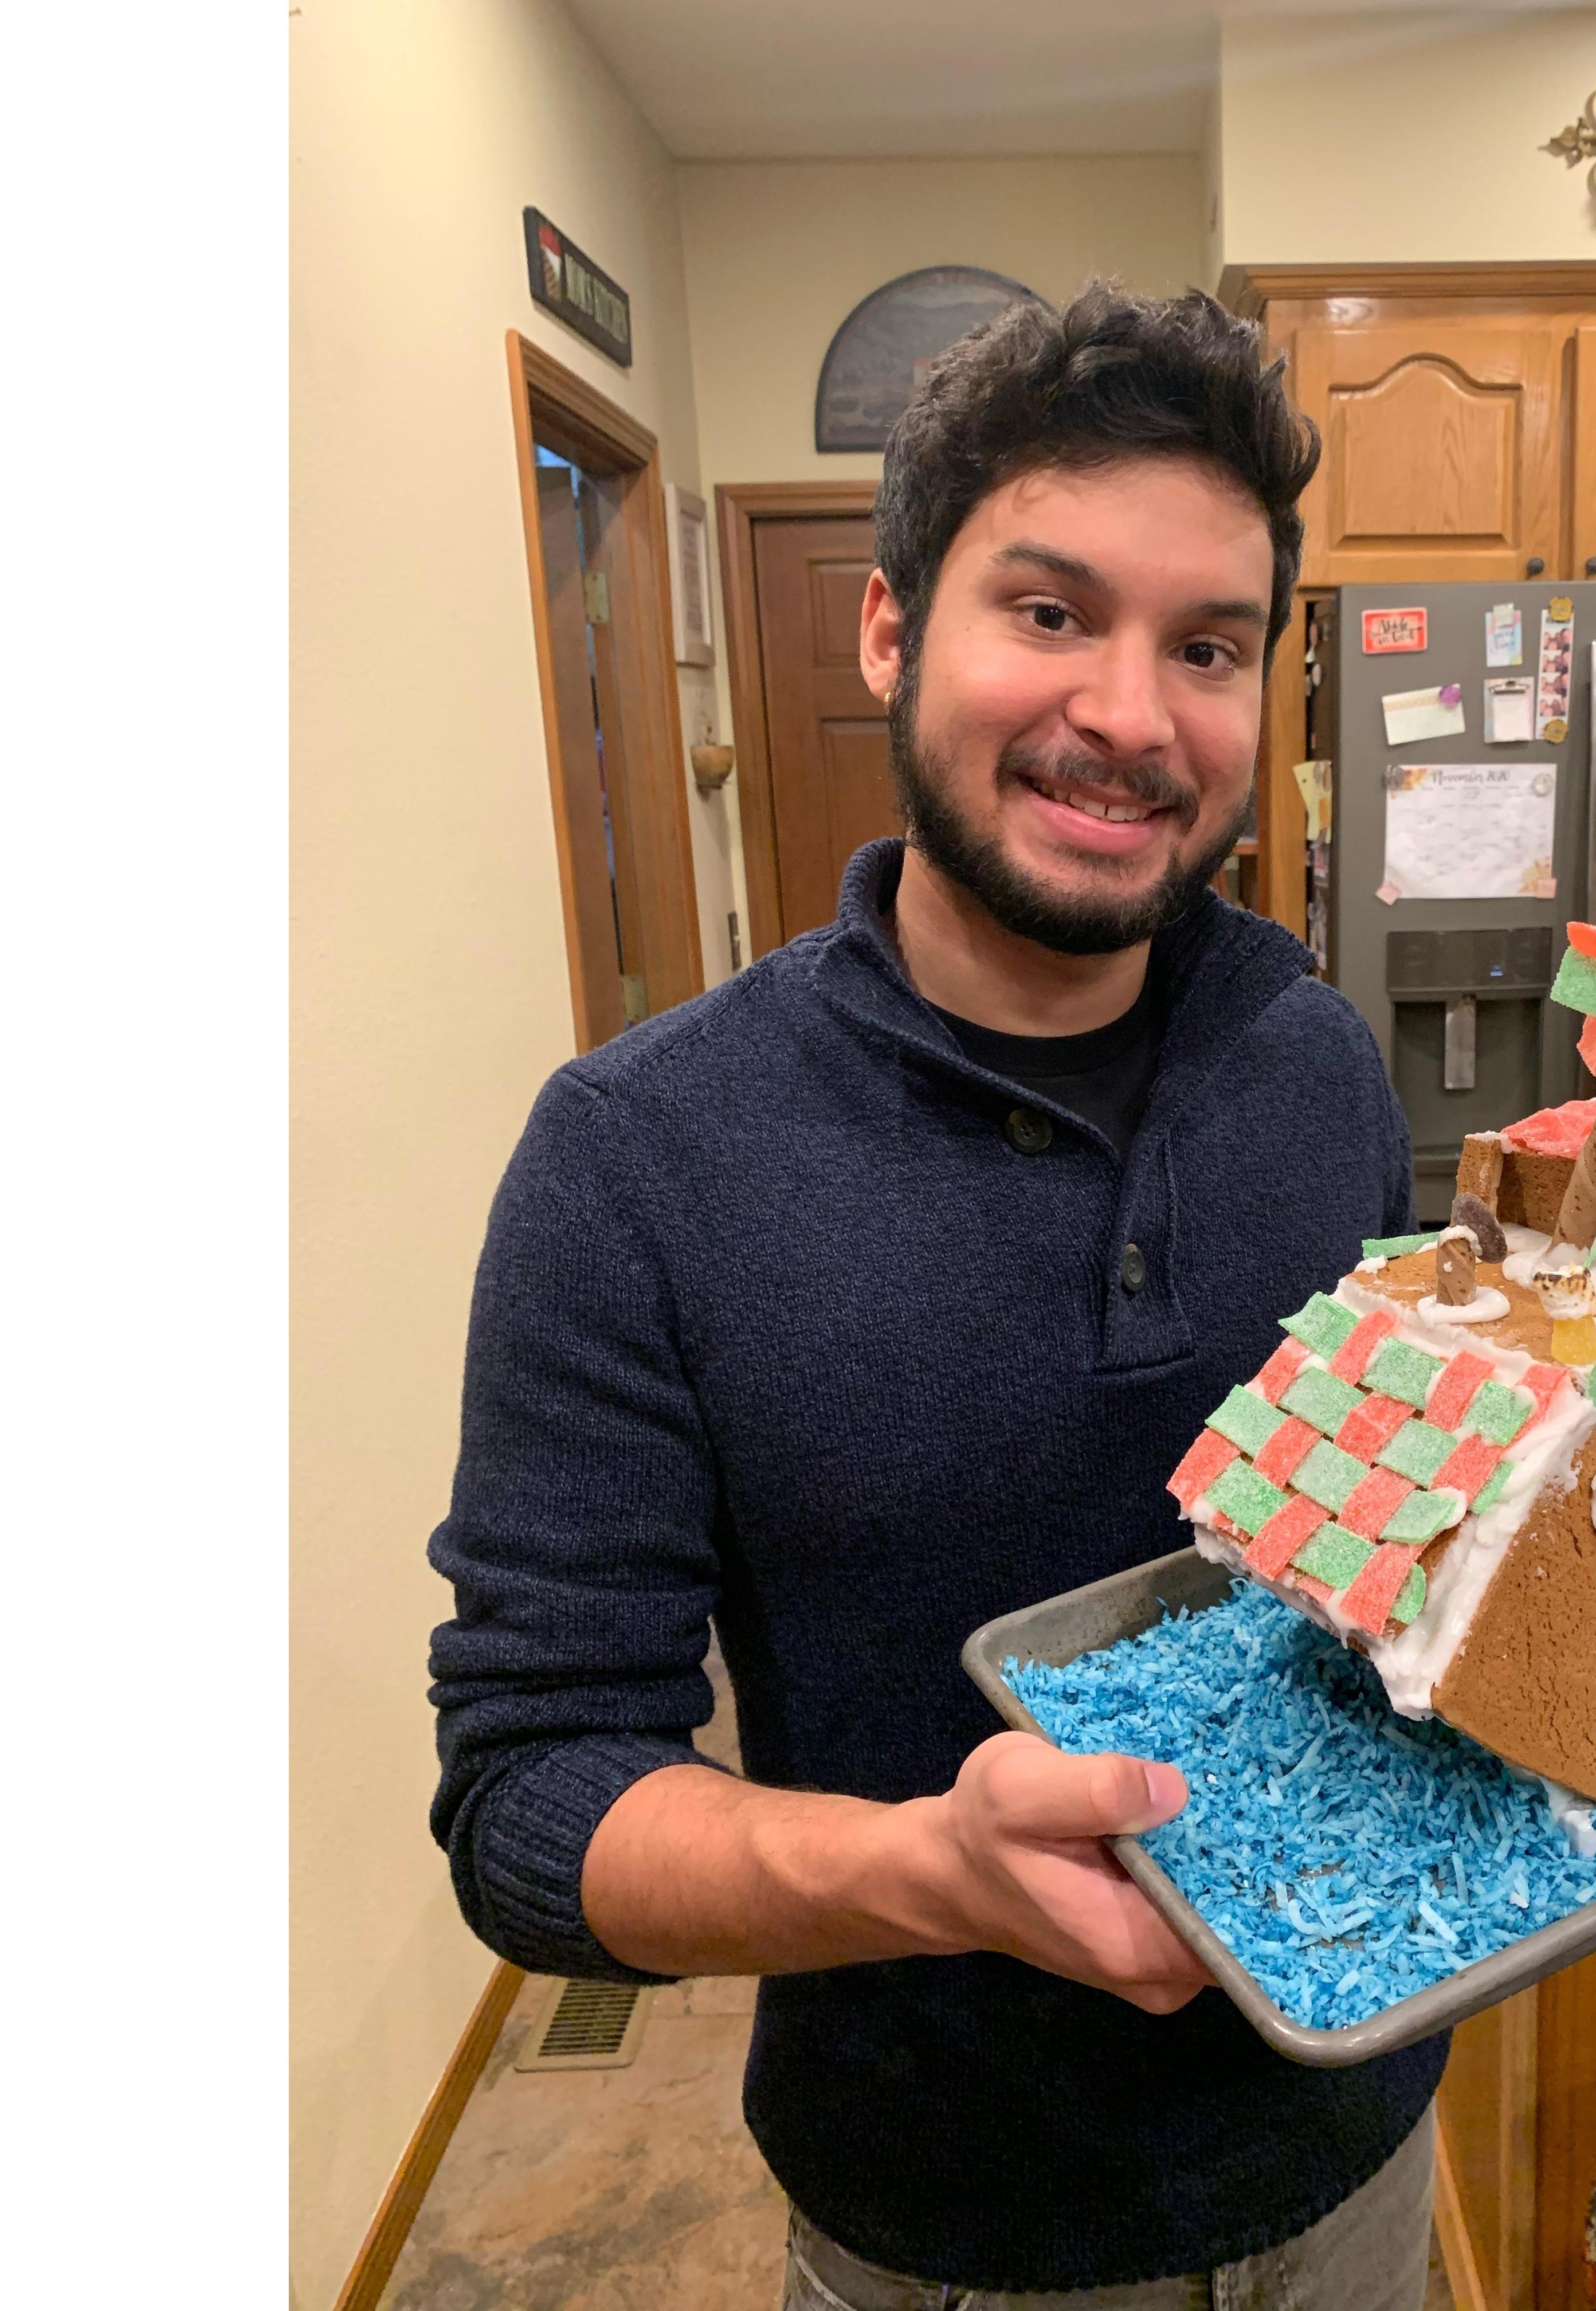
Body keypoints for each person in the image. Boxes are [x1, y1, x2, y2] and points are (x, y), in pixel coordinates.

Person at [428, 284, 1446, 2309]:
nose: (1135, 716)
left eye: (1209, 647)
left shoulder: (1320, 1068)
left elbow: (1384, 1550)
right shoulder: (636, 1160)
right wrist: (926, 1875)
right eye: (1051, 612)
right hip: (950, 2236)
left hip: (1360, 2158)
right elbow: (530, 1801)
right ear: (893, 629)